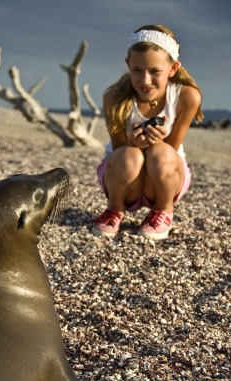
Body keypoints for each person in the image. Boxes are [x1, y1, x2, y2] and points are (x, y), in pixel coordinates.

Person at [92, 24, 203, 240]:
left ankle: (163, 211)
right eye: (137, 71)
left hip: (165, 180)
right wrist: (133, 143)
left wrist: (156, 142)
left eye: (155, 72)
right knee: (129, 155)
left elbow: (170, 151)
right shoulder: (114, 97)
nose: (145, 81)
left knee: (160, 152)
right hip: (122, 180)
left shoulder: (187, 97)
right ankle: (114, 209)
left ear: (173, 68)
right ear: (128, 65)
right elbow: (117, 151)